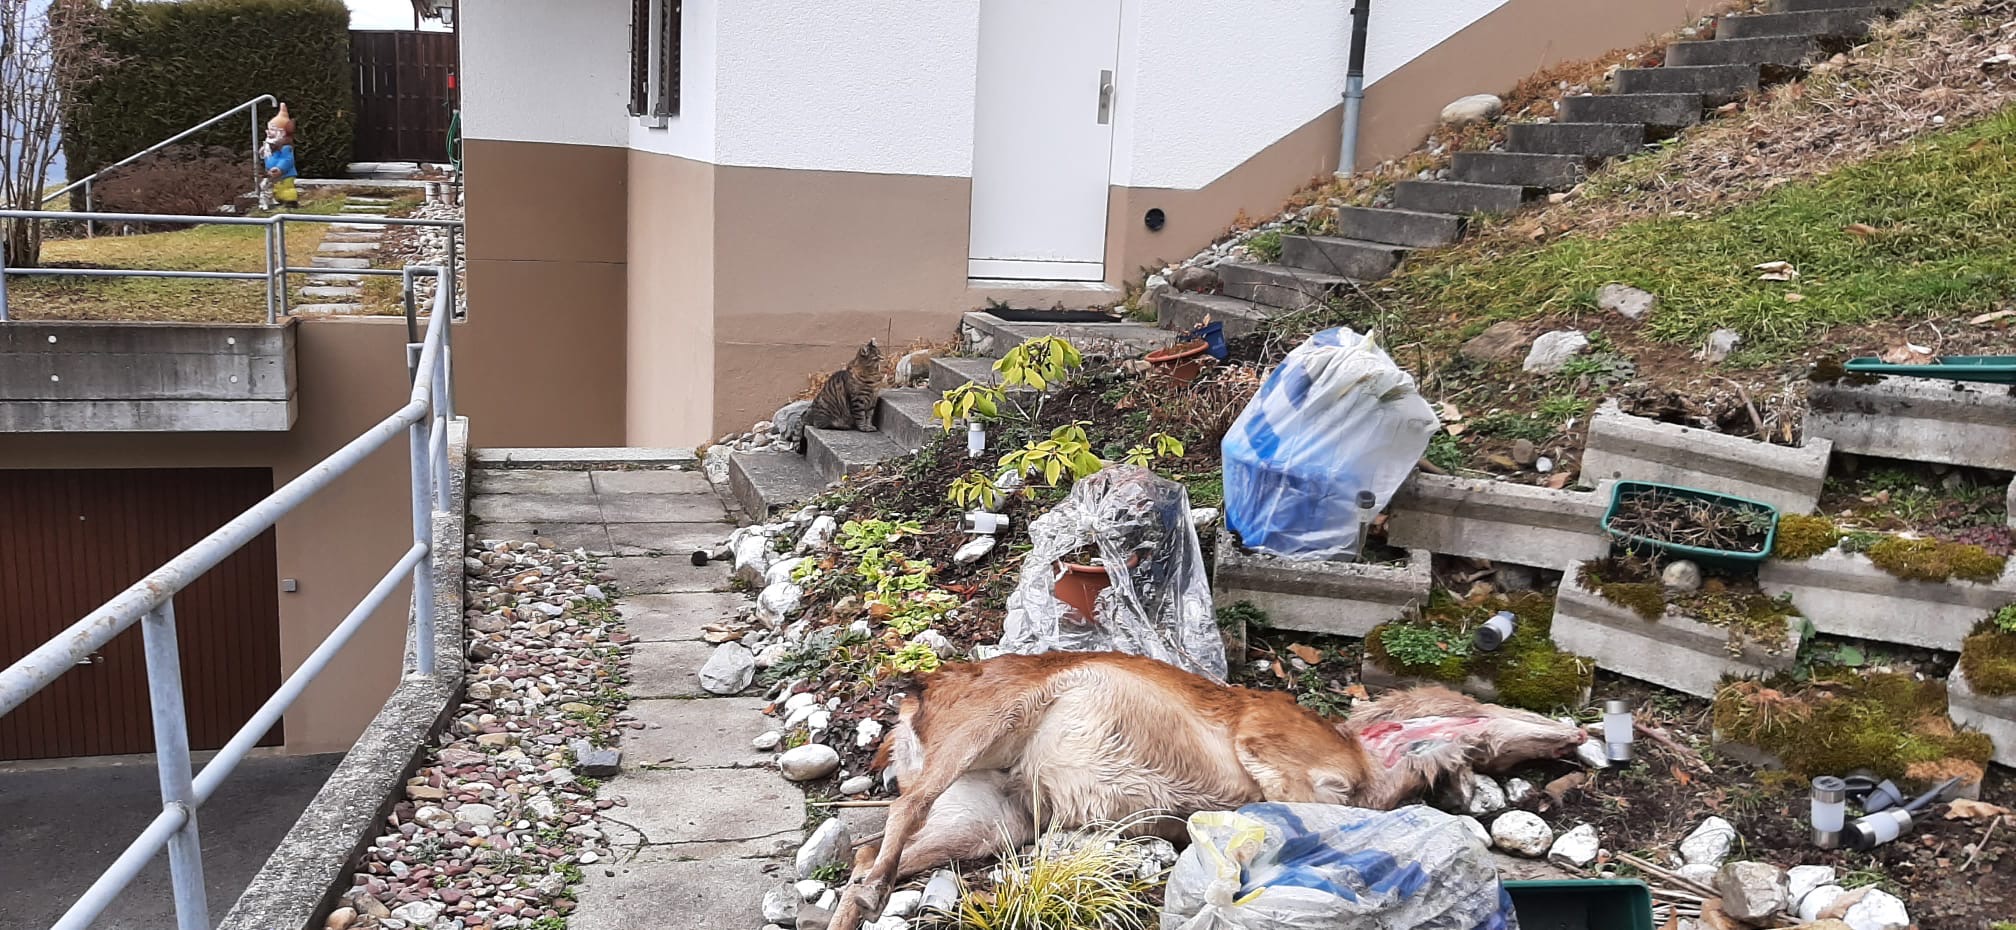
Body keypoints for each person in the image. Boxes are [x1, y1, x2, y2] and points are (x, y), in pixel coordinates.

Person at [261, 103, 299, 208]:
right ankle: (277, 201)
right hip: (272, 174)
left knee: (286, 188)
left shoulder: (285, 147)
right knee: (275, 188)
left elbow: (287, 159)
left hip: (284, 174)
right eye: (269, 129)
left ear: (282, 132)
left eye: (273, 129)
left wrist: (279, 168)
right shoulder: (270, 146)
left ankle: (290, 202)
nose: (269, 132)